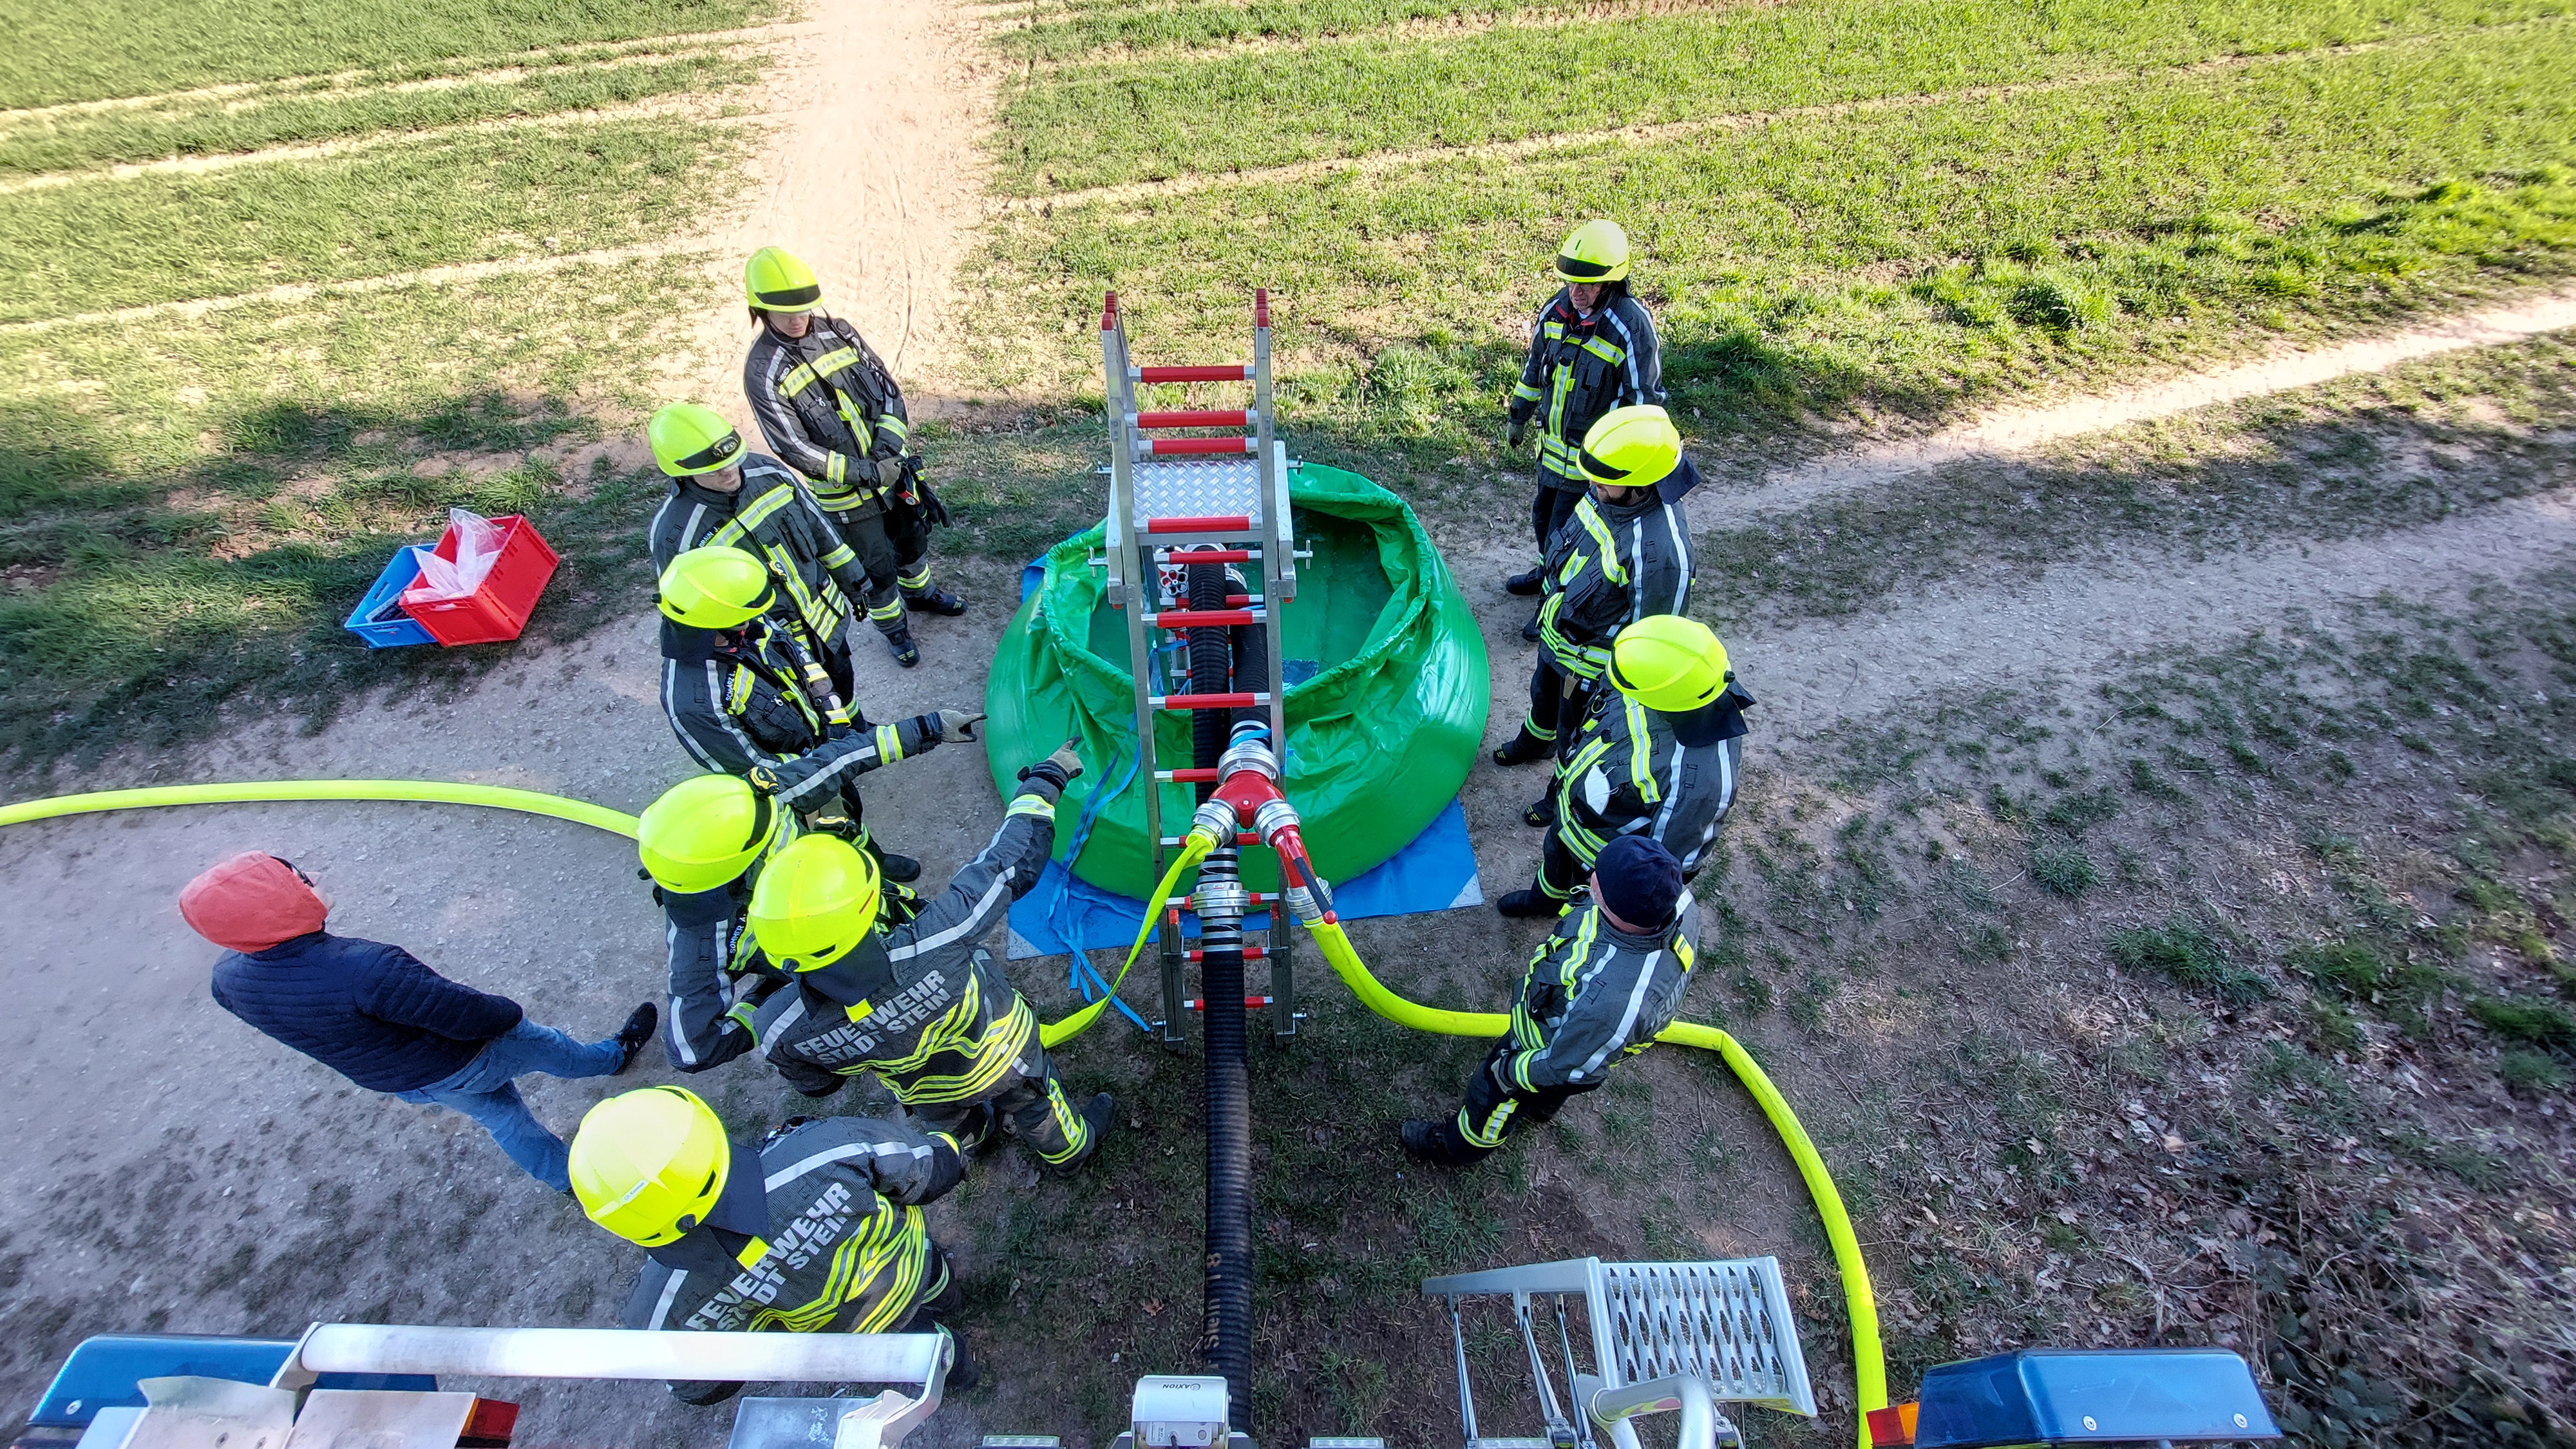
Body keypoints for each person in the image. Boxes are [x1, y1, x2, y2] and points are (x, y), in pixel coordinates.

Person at [694, 742, 1113, 1173]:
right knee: (1038, 1105)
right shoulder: (939, 937)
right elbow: (1008, 864)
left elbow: (818, 1083)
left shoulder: (777, 1027)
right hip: (1004, 1060)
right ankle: (1070, 1153)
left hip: (925, 1093)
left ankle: (977, 1140)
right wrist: (1046, 778)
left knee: (953, 1122)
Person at [185, 851, 656, 1194]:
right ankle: (613, 1058)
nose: (317, 876)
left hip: (404, 1078)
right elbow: (467, 1015)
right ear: (279, 909)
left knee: (502, 1117)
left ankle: (569, 1182)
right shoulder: (366, 968)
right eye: (302, 880)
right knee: (547, 1045)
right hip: (468, 1056)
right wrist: (509, 1013)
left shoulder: (226, 979)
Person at [570, 1084, 978, 1403]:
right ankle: (953, 1300)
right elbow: (933, 1167)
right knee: (935, 1280)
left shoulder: (655, 1314)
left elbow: (701, 1387)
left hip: (854, 1338)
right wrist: (953, 1150)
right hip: (909, 1262)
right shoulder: (825, 1149)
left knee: (928, 1357)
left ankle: (963, 1372)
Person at [637, 762, 976, 1075]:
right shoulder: (702, 944)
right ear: (738, 879)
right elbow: (692, 1051)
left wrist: (925, 729)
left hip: (858, 947)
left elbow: (832, 760)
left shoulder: (746, 807)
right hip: (844, 974)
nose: (781, 836)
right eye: (765, 846)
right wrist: (769, 1002)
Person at [1401, 837, 1699, 1166]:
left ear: (1619, 909)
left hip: (1544, 1044)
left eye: (1600, 876)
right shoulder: (1677, 902)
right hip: (1580, 1038)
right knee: (1557, 1081)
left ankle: (1459, 1146)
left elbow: (1563, 1067)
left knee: (1493, 1093)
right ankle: (1543, 1105)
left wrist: (1510, 1072)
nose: (1591, 875)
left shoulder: (1608, 1005)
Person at [742, 246, 963, 669]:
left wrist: (886, 453)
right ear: (760, 308)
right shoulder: (762, 370)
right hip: (848, 497)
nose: (797, 318)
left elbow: (889, 394)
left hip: (893, 474)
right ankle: (894, 630)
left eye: (804, 308)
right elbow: (793, 447)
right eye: (784, 312)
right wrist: (867, 473)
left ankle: (921, 596)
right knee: (876, 569)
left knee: (913, 541)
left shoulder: (840, 333)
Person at [657, 544, 933, 882]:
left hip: (823, 748)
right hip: (794, 783)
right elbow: (763, 776)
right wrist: (831, 764)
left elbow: (806, 665)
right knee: (829, 836)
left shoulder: (740, 619)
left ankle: (871, 856)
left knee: (849, 810)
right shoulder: (696, 704)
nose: (753, 624)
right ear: (707, 626)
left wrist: (836, 724)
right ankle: (855, 875)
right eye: (742, 622)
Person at [1497, 615, 1753, 917]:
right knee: (1554, 862)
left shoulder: (1699, 783)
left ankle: (1572, 918)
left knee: (1586, 907)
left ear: (1666, 695)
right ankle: (1543, 901)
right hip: (1571, 817)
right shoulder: (1654, 676)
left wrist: (1610, 892)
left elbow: (1665, 867)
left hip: (1600, 861)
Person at [1490, 404, 1698, 772]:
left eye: (1602, 481)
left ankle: (1559, 788)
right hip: (1558, 639)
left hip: (1590, 673)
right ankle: (1535, 741)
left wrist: (1614, 689)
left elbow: (1650, 642)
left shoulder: (1662, 555)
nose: (1591, 485)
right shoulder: (1607, 491)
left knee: (1575, 736)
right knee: (1543, 698)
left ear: (1641, 482)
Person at [646, 401, 875, 710]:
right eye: (712, 469)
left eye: (732, 459)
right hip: (772, 649)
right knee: (804, 710)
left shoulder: (769, 473)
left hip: (824, 623)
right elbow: (689, 609)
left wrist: (855, 583)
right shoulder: (676, 534)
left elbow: (820, 529)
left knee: (843, 685)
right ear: (683, 472)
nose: (728, 471)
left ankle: (855, 727)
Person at [1502, 220, 1665, 641]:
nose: (1576, 291)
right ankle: (1546, 572)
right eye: (1572, 281)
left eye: (1588, 284)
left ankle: (1553, 603)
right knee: (1544, 518)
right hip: (1551, 454)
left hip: (1592, 467)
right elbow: (1534, 370)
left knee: (1569, 534)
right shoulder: (1555, 312)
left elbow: (1643, 401)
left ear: (1612, 282)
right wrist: (1519, 415)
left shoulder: (1630, 327)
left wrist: (1628, 466)